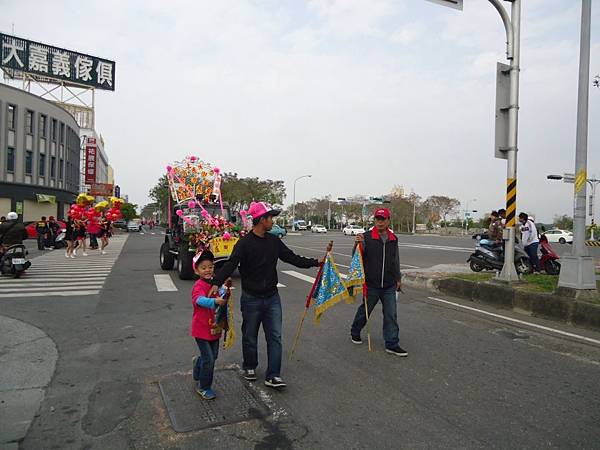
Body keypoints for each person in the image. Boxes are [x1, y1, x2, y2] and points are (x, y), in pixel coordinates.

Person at [210, 201, 320, 389]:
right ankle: (250, 366)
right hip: (251, 298)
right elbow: (231, 263)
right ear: (261, 220)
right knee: (250, 335)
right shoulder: (244, 243)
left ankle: (274, 375)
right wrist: (215, 282)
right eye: (270, 218)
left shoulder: (274, 241)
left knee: (275, 336)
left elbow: (292, 258)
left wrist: (316, 262)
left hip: (272, 298)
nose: (272, 221)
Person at [351, 207, 407, 357]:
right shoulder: (366, 237)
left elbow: (396, 260)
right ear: (374, 220)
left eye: (383, 219)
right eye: (378, 219)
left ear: (388, 221)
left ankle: (392, 343)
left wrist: (398, 278)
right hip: (371, 284)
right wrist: (357, 244)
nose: (380, 222)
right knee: (365, 311)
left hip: (389, 284)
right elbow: (356, 257)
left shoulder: (393, 239)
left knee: (391, 314)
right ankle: (355, 330)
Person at [191, 250, 228, 400]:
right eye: (203, 267)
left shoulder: (215, 284)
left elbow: (222, 295)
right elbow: (198, 300)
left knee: (213, 356)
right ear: (196, 270)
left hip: (215, 328)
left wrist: (225, 290)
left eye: (210, 267)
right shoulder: (198, 285)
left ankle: (197, 362)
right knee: (209, 360)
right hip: (201, 329)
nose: (208, 270)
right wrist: (214, 301)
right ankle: (204, 387)